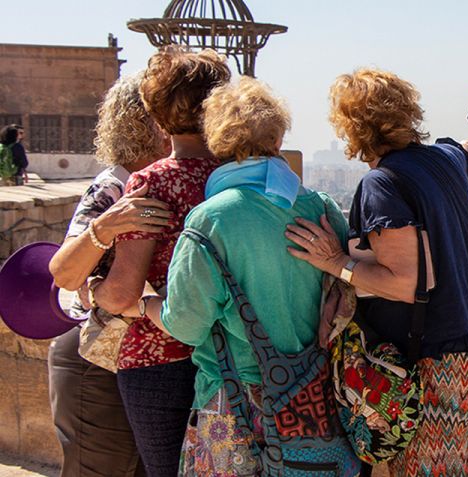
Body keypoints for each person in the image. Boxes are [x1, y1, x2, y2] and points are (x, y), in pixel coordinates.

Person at [285, 68, 468, 477]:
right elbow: (467, 153)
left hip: (436, 363)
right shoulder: (444, 159)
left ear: (351, 128)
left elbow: (407, 283)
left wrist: (336, 263)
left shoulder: (382, 184)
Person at [138, 76, 355, 476]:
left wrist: (146, 303)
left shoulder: (211, 219)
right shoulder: (320, 207)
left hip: (233, 406)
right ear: (277, 139)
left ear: (220, 141)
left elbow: (185, 324)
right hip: (312, 400)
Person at [88, 47, 230, 477]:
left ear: (154, 109)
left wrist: (94, 289)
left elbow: (122, 293)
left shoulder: (153, 181)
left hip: (158, 358)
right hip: (232, 352)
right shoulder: (239, 175)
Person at [46, 72, 172, 477]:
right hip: (93, 361)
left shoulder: (169, 181)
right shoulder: (112, 187)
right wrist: (104, 228)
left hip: (142, 362)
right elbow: (66, 276)